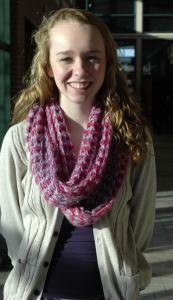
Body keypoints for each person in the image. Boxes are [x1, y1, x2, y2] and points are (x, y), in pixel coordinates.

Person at [0, 8, 156, 300]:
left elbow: (141, 226)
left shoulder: (131, 137)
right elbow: (12, 226)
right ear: (48, 66)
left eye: (92, 57)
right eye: (66, 58)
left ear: (107, 63)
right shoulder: (20, 140)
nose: (81, 70)